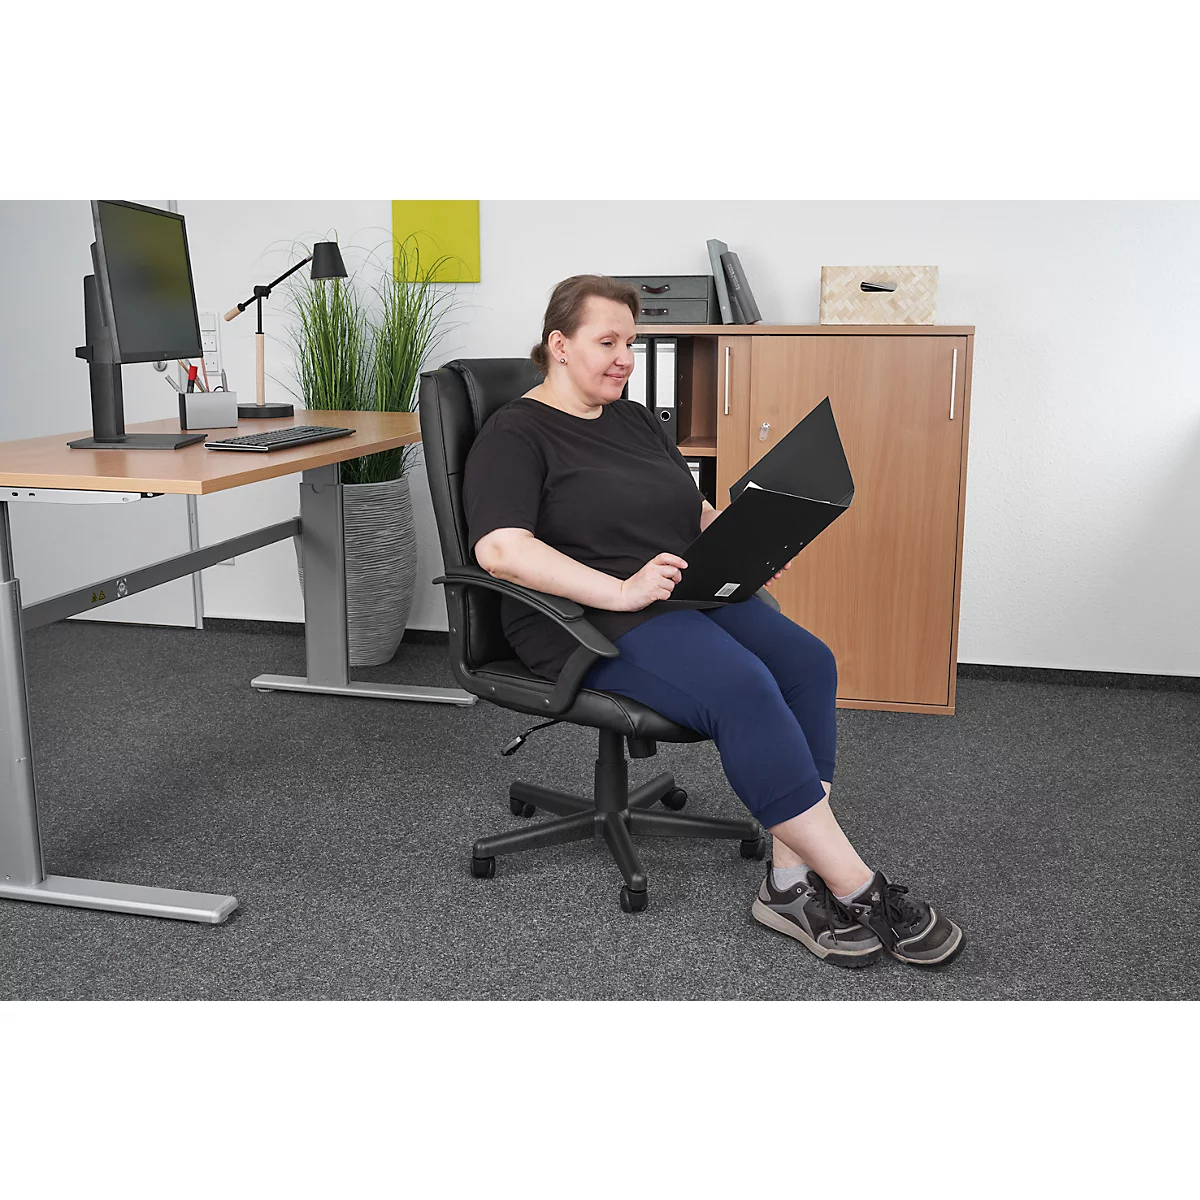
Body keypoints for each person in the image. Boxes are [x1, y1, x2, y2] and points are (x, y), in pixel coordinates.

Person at [462, 274, 964, 969]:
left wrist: (743, 538)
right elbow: (501, 550)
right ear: (559, 345)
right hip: (586, 617)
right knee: (743, 688)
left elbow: (690, 507)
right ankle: (859, 885)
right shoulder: (515, 434)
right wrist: (619, 589)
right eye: (606, 342)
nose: (623, 359)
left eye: (630, 344)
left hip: (676, 593)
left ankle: (788, 882)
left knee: (808, 664)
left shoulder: (634, 418)